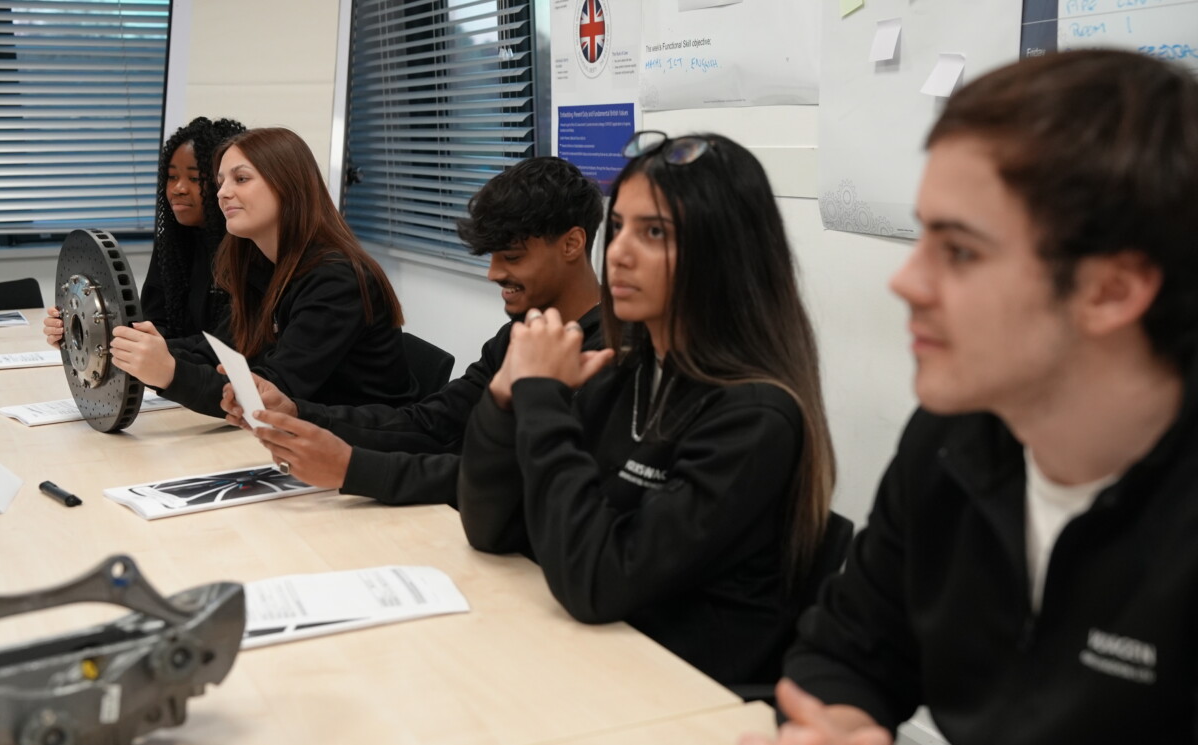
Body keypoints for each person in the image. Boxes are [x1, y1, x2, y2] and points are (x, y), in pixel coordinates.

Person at [714, 49, 1198, 745]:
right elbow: (850, 649)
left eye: (960, 251)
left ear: (1112, 290)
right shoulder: (955, 439)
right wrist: (833, 739)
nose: (906, 280)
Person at [457, 132, 837, 687]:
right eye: (619, 228)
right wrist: (505, 398)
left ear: (723, 251)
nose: (619, 253)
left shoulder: (754, 416)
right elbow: (491, 527)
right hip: (599, 658)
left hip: (676, 691)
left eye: (653, 232)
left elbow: (596, 580)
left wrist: (542, 398)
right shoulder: (623, 369)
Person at [220, 157, 606, 505]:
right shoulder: (518, 336)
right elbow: (431, 424)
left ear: (572, 244)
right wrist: (300, 413)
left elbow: (521, 483)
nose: (493, 273)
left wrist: (353, 468)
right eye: (491, 257)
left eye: (513, 257)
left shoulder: (613, 354)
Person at [109, 127, 416, 418]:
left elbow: (273, 394)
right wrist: (126, 347)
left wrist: (168, 372)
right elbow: (217, 350)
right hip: (296, 440)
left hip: (358, 451)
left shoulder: (337, 280)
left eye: (240, 179)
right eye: (220, 182)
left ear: (287, 186)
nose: (222, 193)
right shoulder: (259, 265)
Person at [43, 116, 245, 345]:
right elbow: (152, 324)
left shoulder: (247, 249)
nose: (178, 188)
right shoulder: (171, 243)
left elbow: (227, 346)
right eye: (172, 177)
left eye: (195, 178)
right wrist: (78, 331)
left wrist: (150, 351)